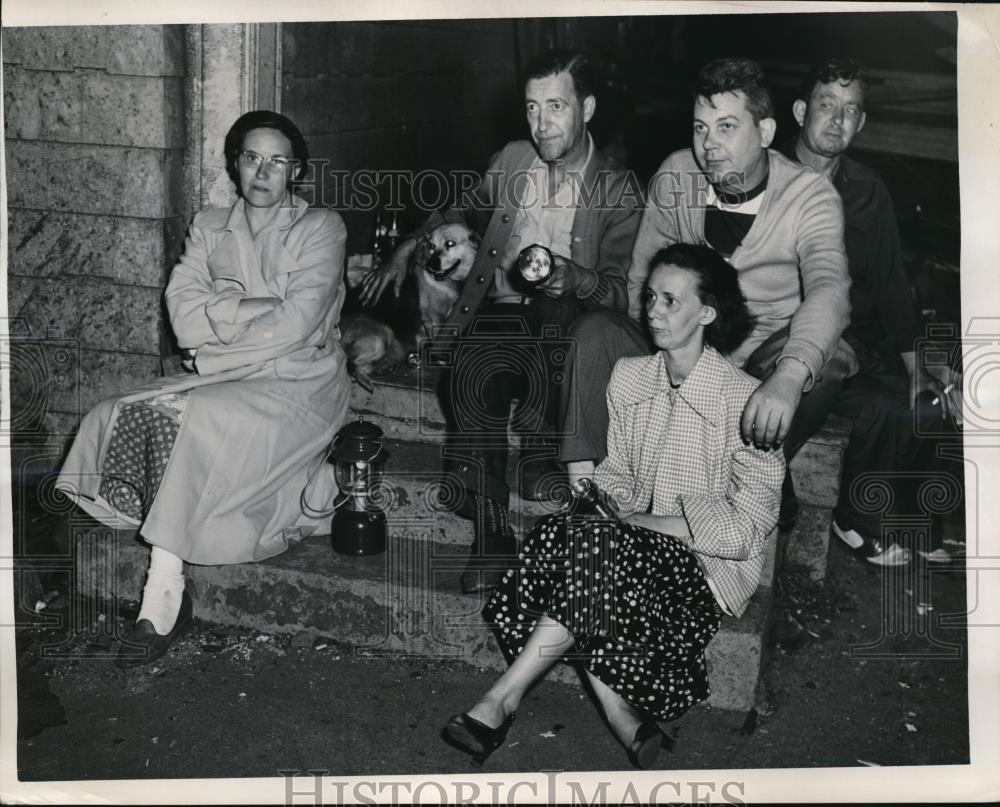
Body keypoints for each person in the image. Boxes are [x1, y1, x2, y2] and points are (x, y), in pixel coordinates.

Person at [443, 243, 784, 769]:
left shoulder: (747, 402)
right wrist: (606, 504)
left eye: (671, 301)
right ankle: (615, 708)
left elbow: (746, 531)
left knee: (582, 548)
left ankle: (502, 699)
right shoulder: (630, 377)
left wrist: (634, 521)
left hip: (697, 575)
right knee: (566, 536)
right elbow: (620, 475)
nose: (652, 311)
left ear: (708, 313)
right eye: (650, 297)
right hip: (621, 557)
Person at [56, 110, 350, 665]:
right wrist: (255, 309)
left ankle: (163, 595)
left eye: (278, 161)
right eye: (251, 157)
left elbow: (301, 324)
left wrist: (214, 344)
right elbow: (183, 315)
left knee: (196, 418)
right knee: (117, 410)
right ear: (235, 164)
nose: (263, 171)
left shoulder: (322, 228)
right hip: (229, 370)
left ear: (297, 171)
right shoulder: (209, 223)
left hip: (299, 381)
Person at [360, 49, 641, 594]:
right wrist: (407, 246)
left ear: (587, 107)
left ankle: (541, 452)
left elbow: (619, 292)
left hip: (568, 331)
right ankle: (491, 535)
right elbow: (461, 211)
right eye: (532, 108)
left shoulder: (618, 189)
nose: (541, 124)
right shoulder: (512, 160)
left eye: (556, 107)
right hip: (504, 320)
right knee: (473, 358)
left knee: (554, 311)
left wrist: (572, 277)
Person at [560, 57, 855, 531]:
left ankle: (760, 476)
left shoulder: (809, 193)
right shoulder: (677, 175)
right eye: (700, 128)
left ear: (764, 131)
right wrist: (666, 359)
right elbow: (641, 283)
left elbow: (830, 287)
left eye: (726, 127)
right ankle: (583, 496)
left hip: (759, 356)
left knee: (829, 360)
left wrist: (788, 374)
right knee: (593, 332)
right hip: (681, 346)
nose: (709, 145)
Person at [781, 59, 956, 565]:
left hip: (859, 339)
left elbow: (891, 285)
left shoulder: (868, 190)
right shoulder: (769, 178)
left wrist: (915, 367)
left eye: (850, 109)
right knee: (879, 408)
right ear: (799, 111)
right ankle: (856, 520)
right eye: (825, 105)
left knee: (927, 401)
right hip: (797, 342)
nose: (836, 120)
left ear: (862, 123)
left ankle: (916, 522)